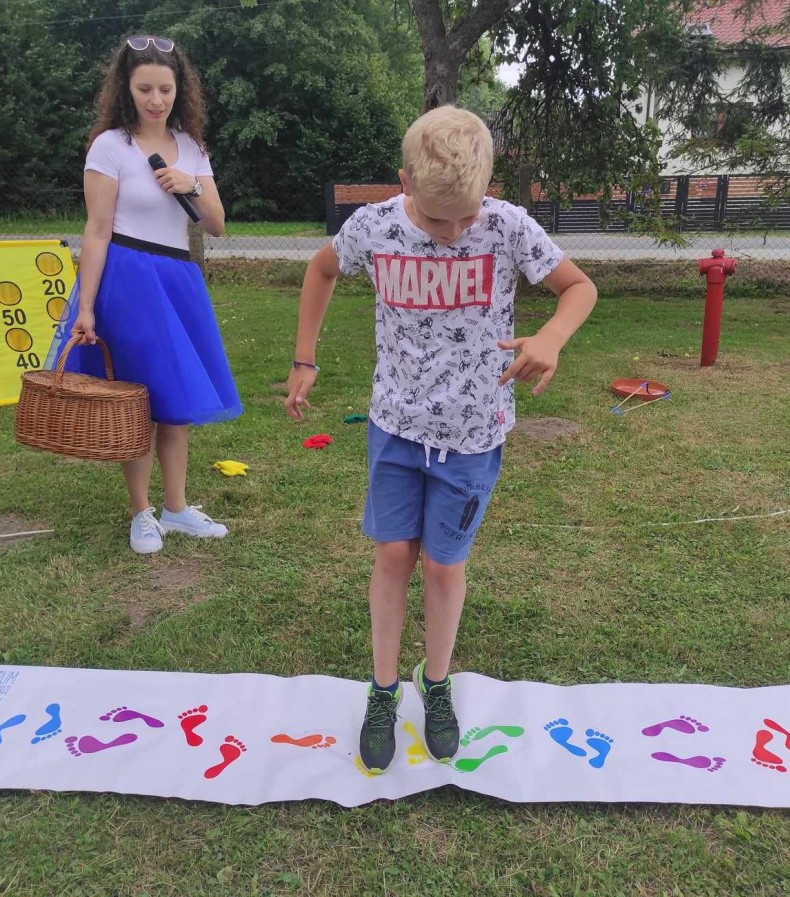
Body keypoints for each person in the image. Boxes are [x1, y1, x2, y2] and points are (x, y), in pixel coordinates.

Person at [284, 106, 597, 772]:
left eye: (465, 217)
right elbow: (321, 270)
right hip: (395, 428)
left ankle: (436, 683)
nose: (453, 232)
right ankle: (382, 690)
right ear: (404, 182)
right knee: (394, 555)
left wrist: (552, 336)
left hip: (474, 434)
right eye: (437, 219)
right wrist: (304, 358)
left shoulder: (508, 226)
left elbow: (578, 287)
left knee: (443, 565)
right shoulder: (375, 225)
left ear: (488, 187)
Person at [50, 35, 242, 554]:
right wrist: (85, 307)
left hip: (177, 281)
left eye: (165, 89)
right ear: (125, 89)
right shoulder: (110, 146)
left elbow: (217, 224)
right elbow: (97, 230)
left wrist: (189, 183)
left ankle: (176, 509)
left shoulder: (193, 148)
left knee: (175, 402)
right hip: (128, 281)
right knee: (135, 402)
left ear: (180, 89)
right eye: (144, 89)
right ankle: (142, 513)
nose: (156, 100)